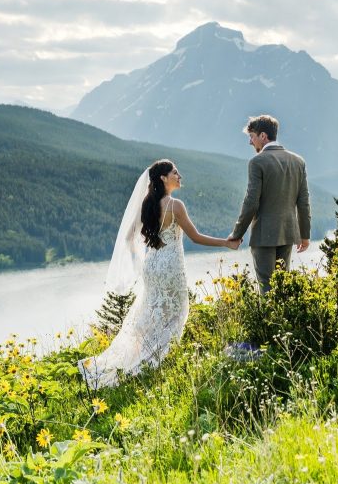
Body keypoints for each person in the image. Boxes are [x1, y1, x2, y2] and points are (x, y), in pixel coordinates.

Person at [79, 159, 238, 389]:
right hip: (171, 267)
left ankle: (131, 361)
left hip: (151, 266)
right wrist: (226, 243)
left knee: (149, 314)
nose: (180, 175)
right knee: (176, 313)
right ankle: (151, 363)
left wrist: (141, 259)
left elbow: (128, 237)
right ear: (163, 178)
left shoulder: (147, 203)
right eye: (175, 172)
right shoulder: (176, 206)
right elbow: (195, 237)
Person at [229, 115, 311, 290]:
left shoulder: (257, 162)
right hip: (288, 233)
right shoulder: (298, 161)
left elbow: (251, 202)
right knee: (282, 287)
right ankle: (284, 318)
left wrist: (236, 234)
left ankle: (268, 319)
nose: (250, 142)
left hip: (263, 235)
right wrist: (304, 235)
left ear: (263, 136)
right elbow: (303, 202)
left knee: (267, 287)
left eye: (252, 137)